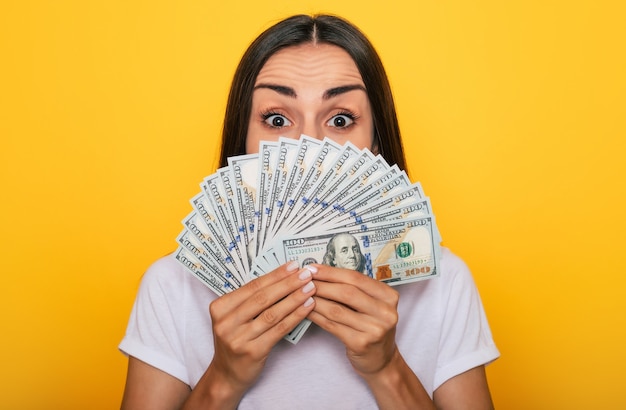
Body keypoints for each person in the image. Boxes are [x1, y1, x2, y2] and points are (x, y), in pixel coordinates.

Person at [119, 14, 499, 409]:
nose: (308, 148)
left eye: (340, 119)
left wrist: (386, 368)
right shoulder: (171, 287)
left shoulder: (443, 283)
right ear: (243, 141)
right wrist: (225, 378)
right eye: (277, 119)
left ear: (375, 145)